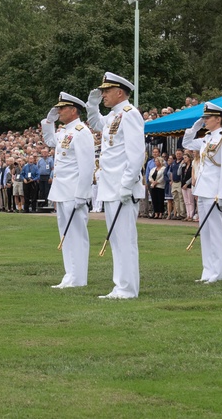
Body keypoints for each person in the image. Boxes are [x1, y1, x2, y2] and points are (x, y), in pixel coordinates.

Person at [86, 72, 145, 299]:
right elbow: (95, 122)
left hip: (122, 188)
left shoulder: (130, 114)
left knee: (125, 239)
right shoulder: (113, 116)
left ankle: (128, 289)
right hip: (110, 187)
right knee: (117, 241)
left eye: (106, 92)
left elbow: (136, 153)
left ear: (119, 92)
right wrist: (92, 105)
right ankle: (120, 286)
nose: (103, 96)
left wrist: (127, 184)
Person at [41, 92, 95, 288]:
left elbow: (87, 166)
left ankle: (78, 278)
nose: (59, 111)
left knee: (77, 235)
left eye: (62, 108)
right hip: (62, 191)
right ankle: (70, 274)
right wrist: (49, 121)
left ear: (73, 110)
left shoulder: (82, 132)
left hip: (74, 192)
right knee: (65, 234)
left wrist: (82, 194)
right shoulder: (64, 131)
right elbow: (49, 141)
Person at [182, 103, 222, 283]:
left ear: (218, 119)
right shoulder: (206, 138)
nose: (204, 120)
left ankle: (219, 272)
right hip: (203, 191)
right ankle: (208, 271)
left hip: (214, 193)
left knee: (216, 233)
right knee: (205, 232)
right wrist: (194, 127)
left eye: (207, 118)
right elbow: (186, 143)